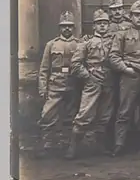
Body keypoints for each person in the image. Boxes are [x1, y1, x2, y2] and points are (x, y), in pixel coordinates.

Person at [66, 9, 114, 159]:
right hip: (92, 82)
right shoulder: (86, 42)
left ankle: (99, 147)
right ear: (94, 26)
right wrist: (88, 76)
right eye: (99, 24)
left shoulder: (114, 41)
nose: (102, 26)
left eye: (105, 23)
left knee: (105, 115)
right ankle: (72, 148)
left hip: (109, 81)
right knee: (85, 114)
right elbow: (75, 64)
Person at [109, 0, 140, 156]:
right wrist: (126, 69)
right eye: (136, 15)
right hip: (129, 76)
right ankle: (119, 144)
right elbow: (114, 57)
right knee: (124, 111)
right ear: (131, 16)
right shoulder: (122, 34)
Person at [37, 11, 79, 158]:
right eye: (64, 26)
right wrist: (43, 88)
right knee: (48, 116)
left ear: (73, 27)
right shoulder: (51, 44)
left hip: (72, 85)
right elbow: (44, 69)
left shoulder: (79, 44)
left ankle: (66, 145)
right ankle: (48, 145)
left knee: (70, 117)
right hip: (55, 85)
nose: (67, 29)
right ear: (59, 28)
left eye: (69, 26)